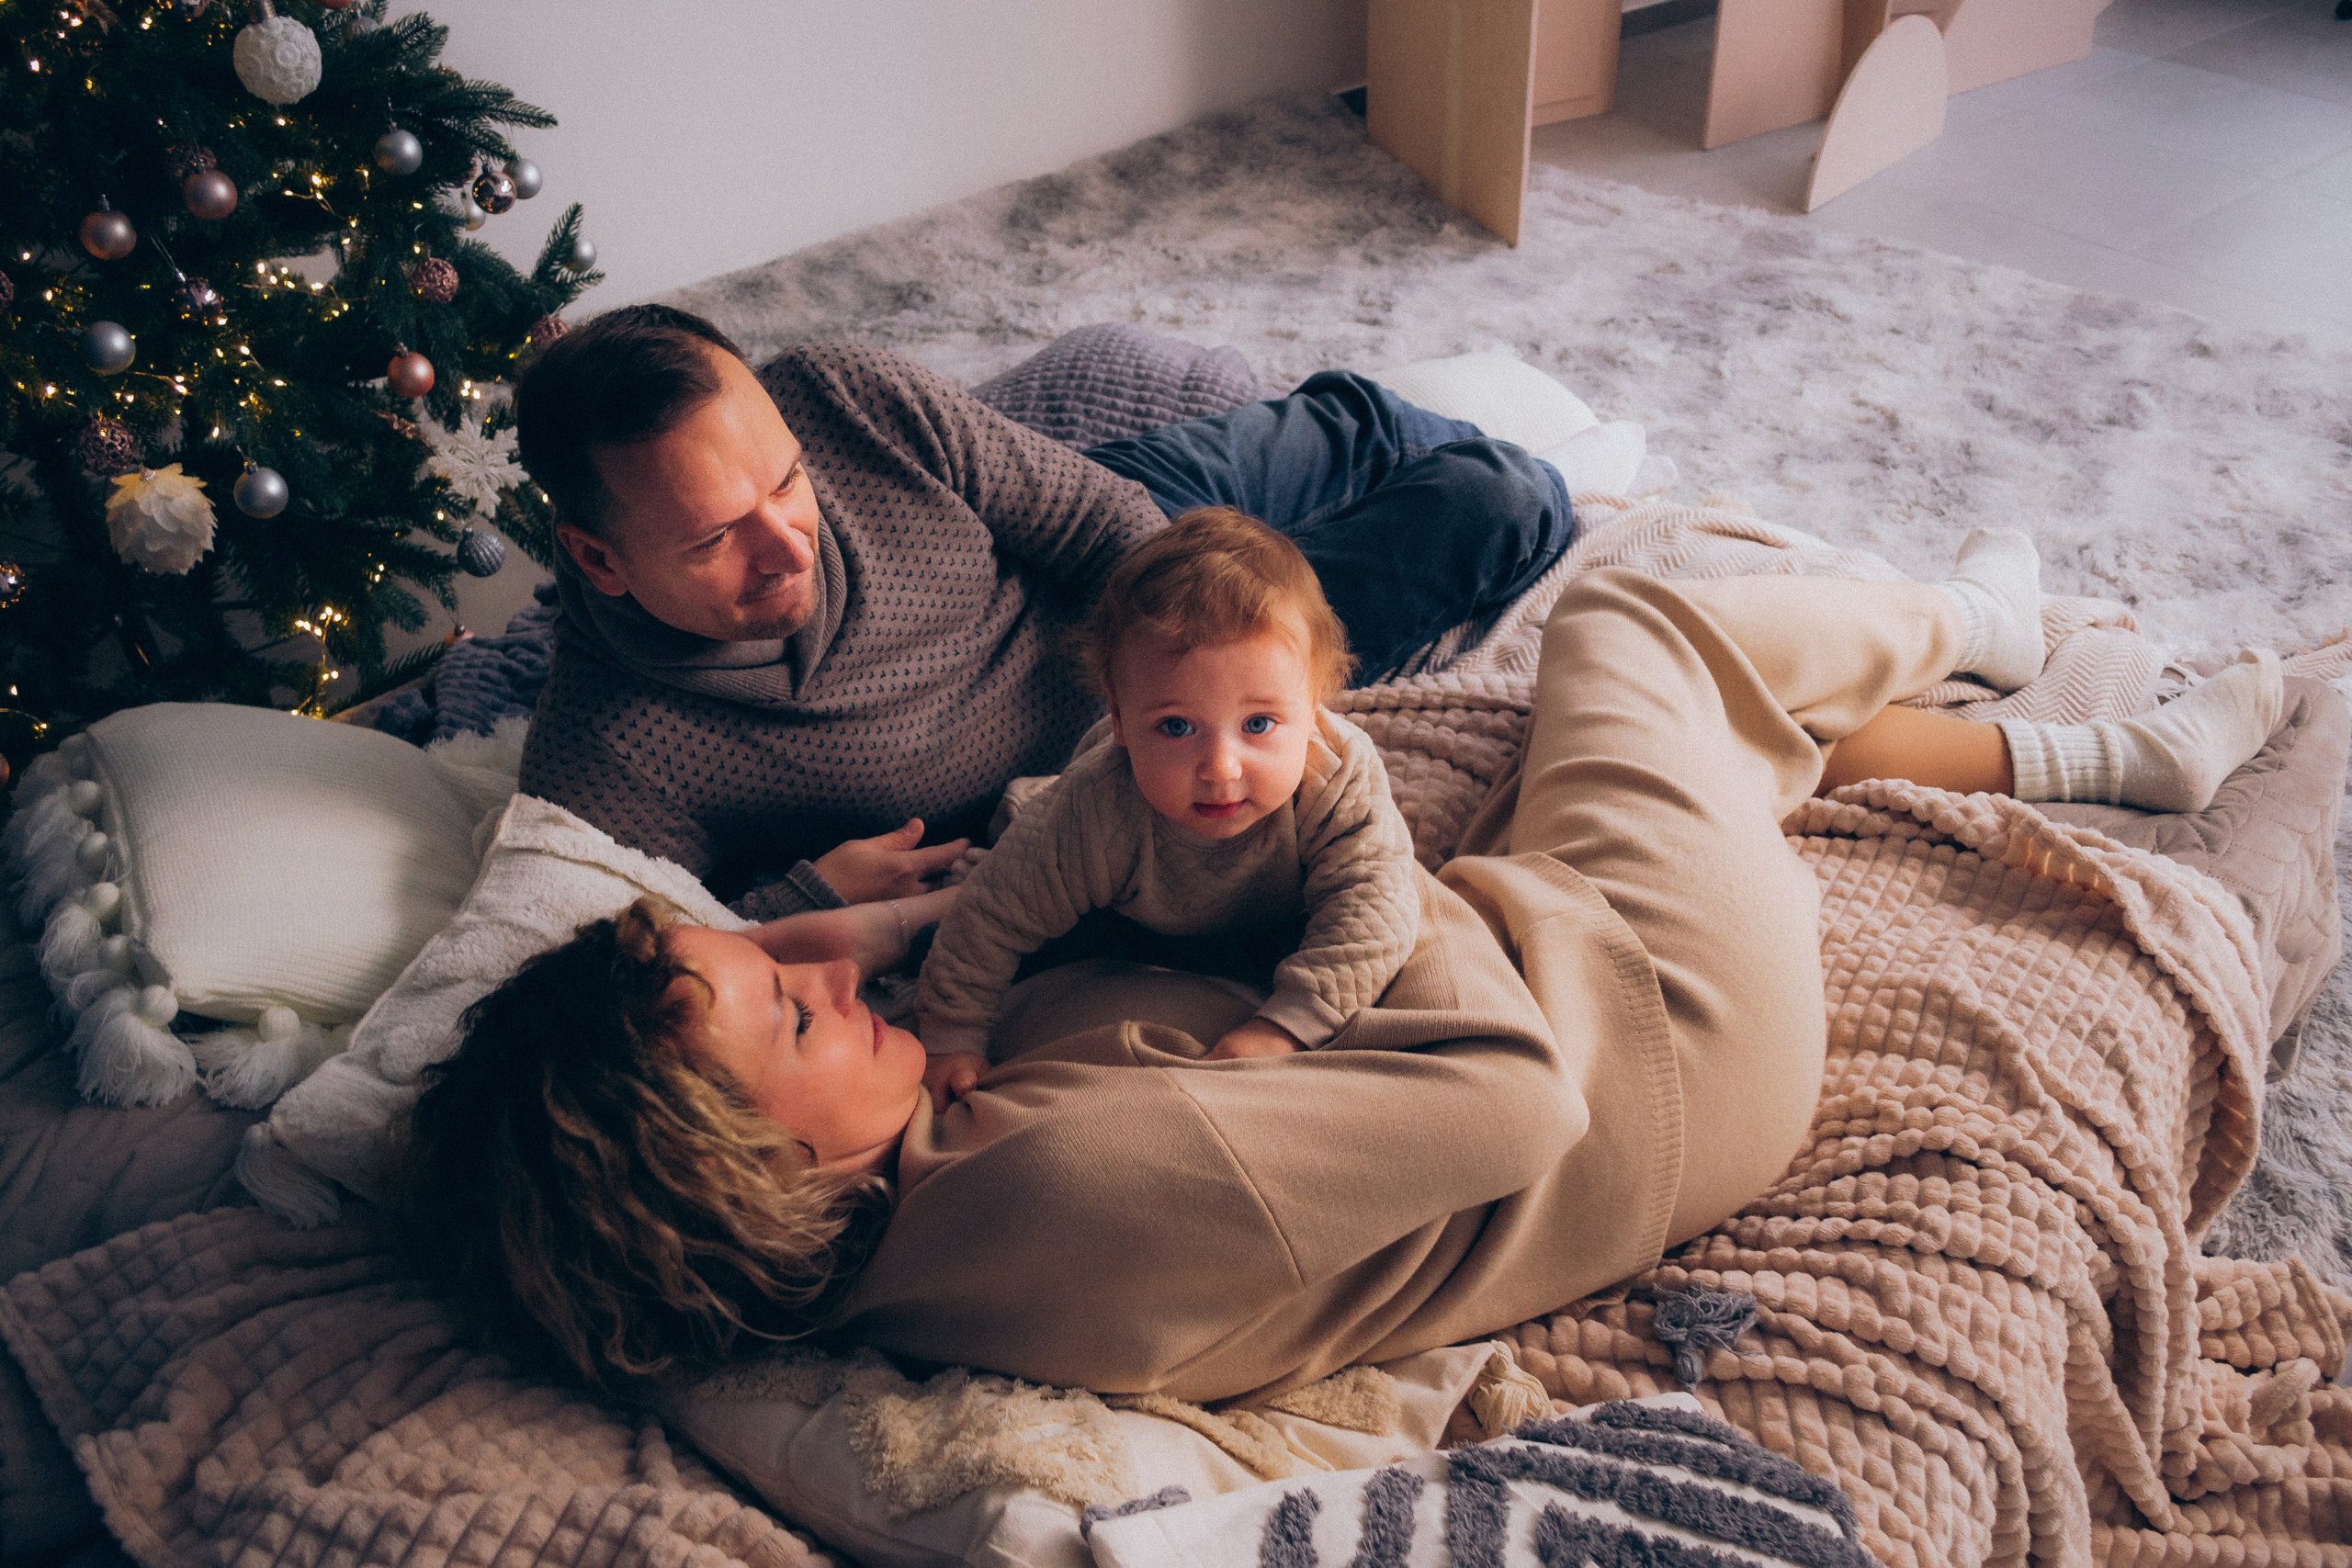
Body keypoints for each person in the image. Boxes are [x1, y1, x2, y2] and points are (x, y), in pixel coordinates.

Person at [402, 531, 2287, 1399]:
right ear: (762, 1167)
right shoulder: (1070, 1180)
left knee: (1715, 726)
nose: (815, 980)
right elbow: (1507, 1096)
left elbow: (1092, 974)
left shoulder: (921, 1206)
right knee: (1629, 612)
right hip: (1645, 1020)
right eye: (782, 1014)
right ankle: (1996, 623)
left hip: (1584, 995)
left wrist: (884, 938)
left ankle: (2003, 745)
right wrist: (1352, 928)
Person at [511, 307, 1574, 921]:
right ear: (597, 559)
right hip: (1134, 688)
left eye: (785, 482)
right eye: (713, 538)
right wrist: (796, 898)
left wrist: (1185, 626)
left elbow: (1093, 516)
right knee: (1503, 496)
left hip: (1118, 556)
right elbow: (636, 967)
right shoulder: (609, 754)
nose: (794, 543)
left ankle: (1344, 414)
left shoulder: (842, 396)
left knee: (1350, 423)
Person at [913, 507, 1420, 1101]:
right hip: (1127, 912)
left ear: (1314, 707)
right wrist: (952, 1033)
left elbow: (1375, 910)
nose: (1221, 768)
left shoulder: (1337, 777)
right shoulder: (1095, 809)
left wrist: (1283, 1027)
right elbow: (989, 917)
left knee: (1415, 914)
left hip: (1271, 921)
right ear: (1120, 721)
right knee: (1024, 868)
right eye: (1176, 727)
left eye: (1258, 722)